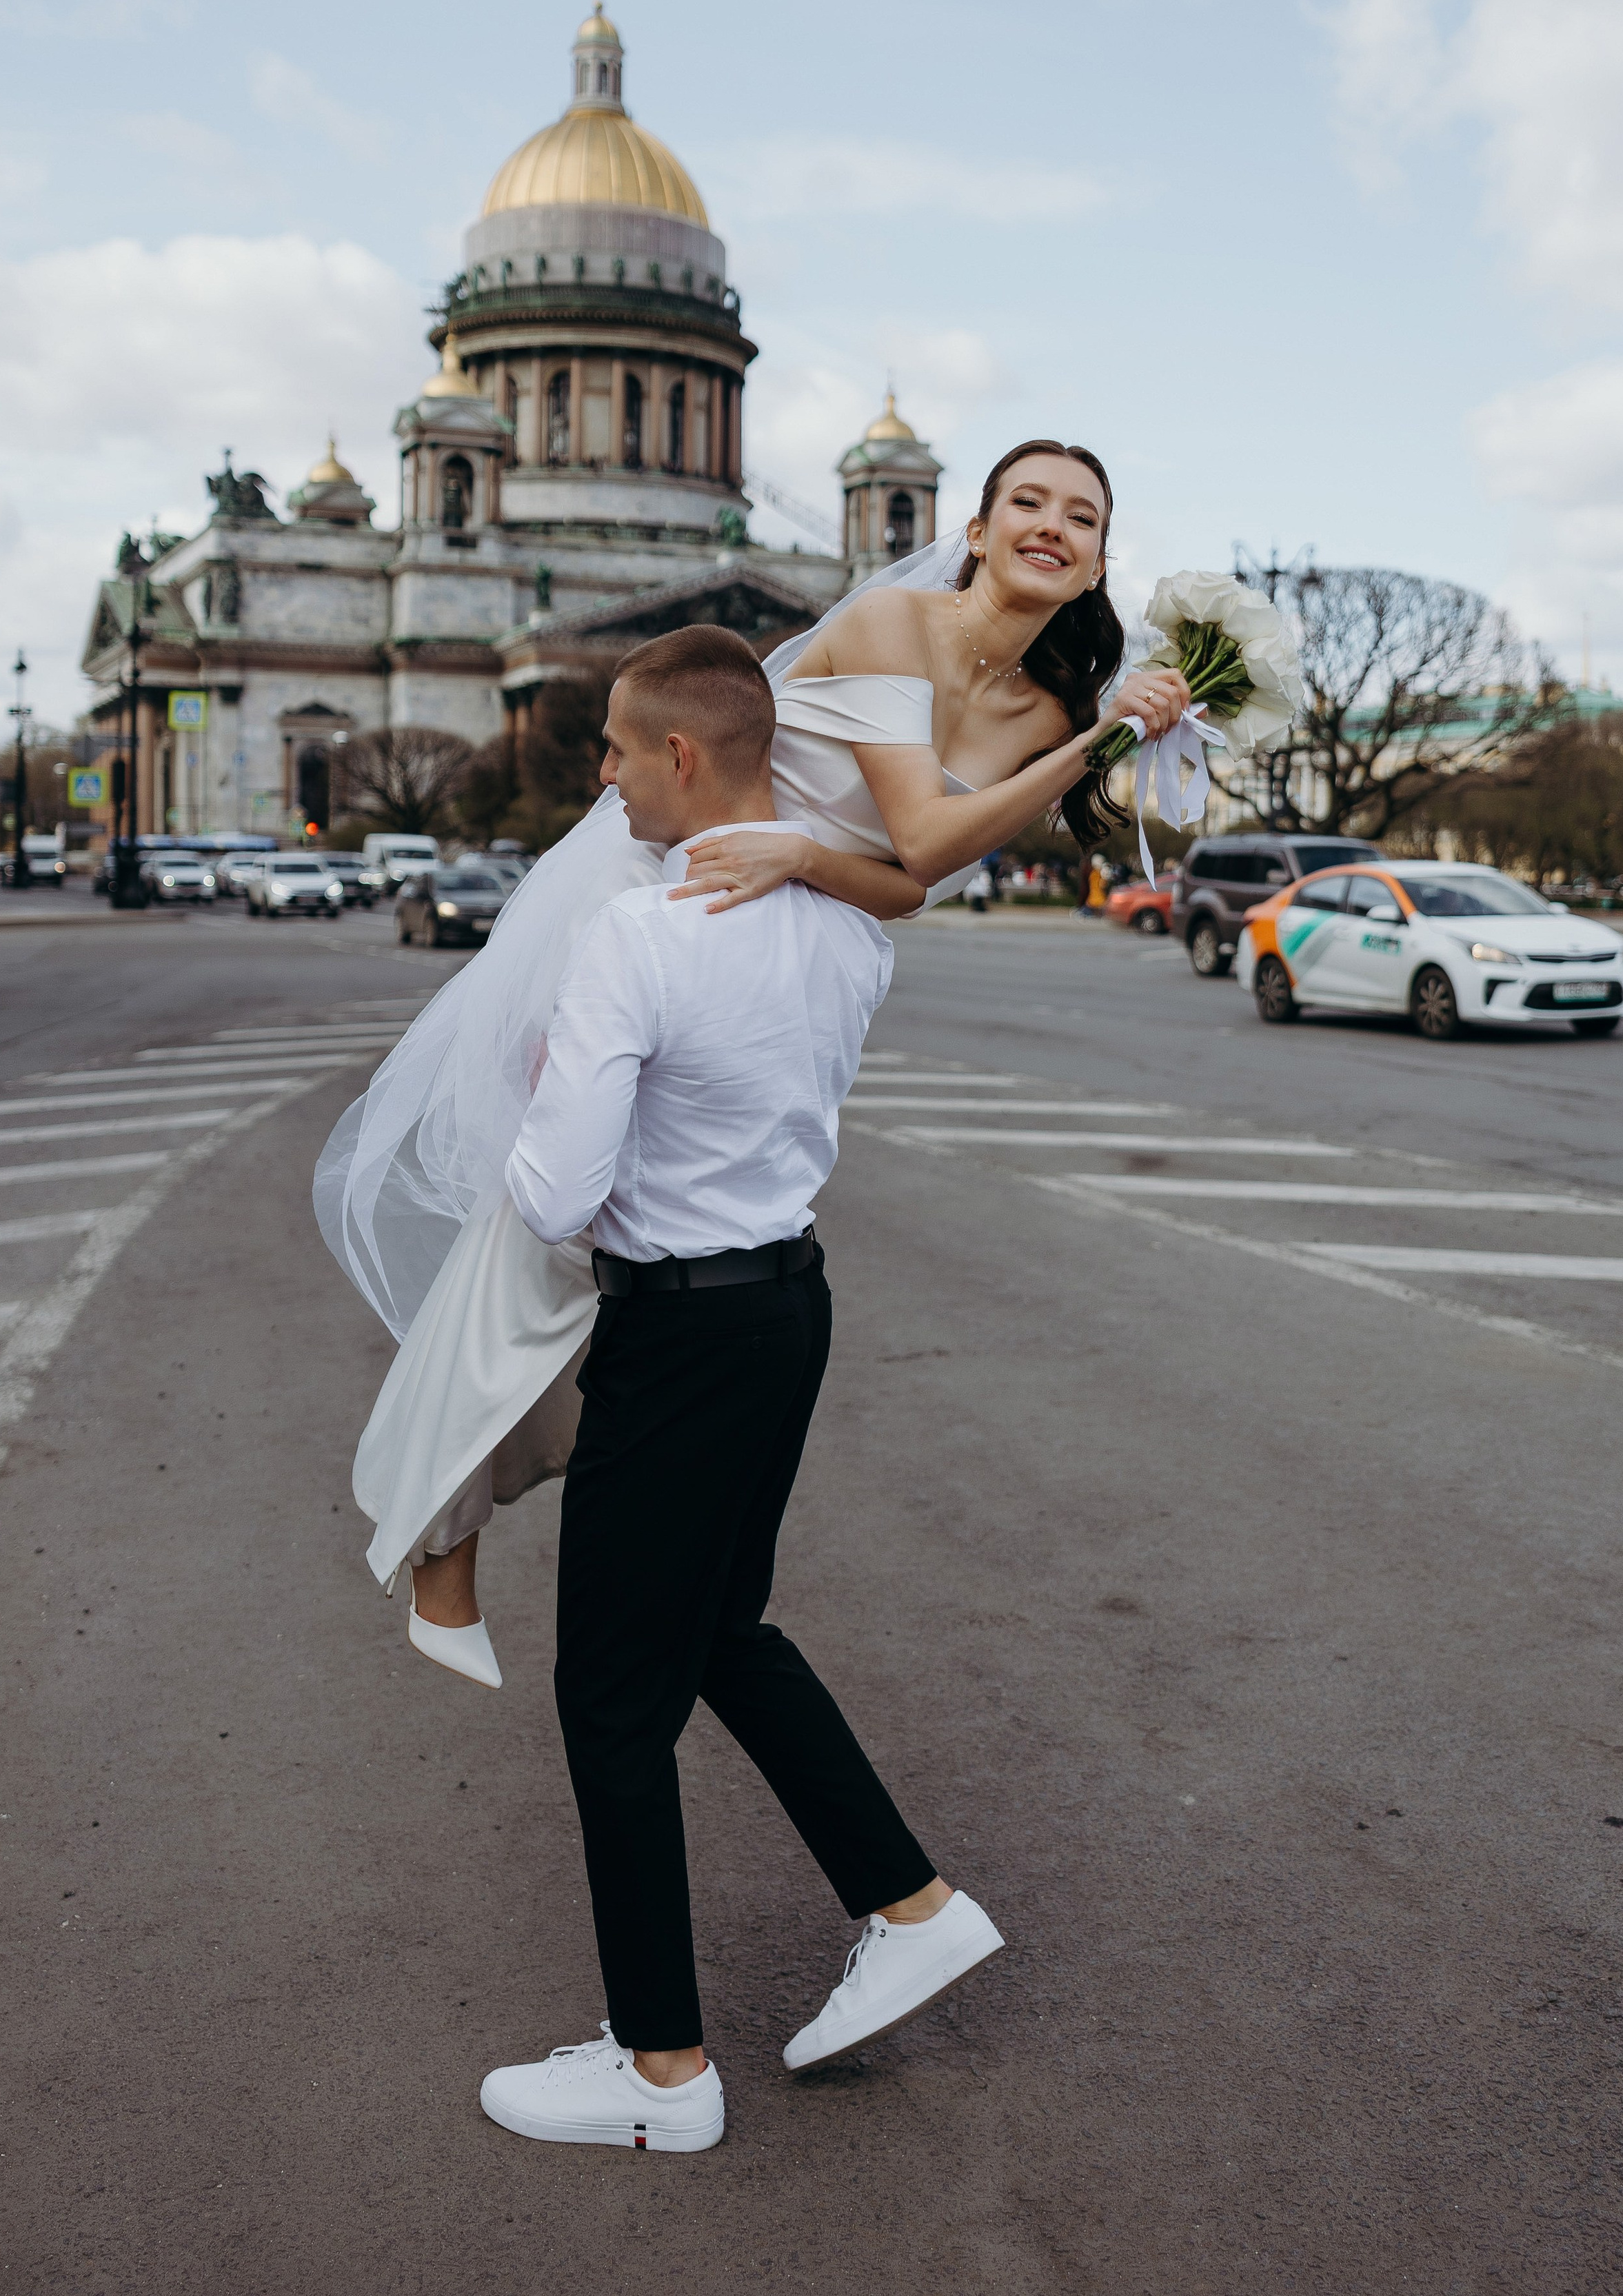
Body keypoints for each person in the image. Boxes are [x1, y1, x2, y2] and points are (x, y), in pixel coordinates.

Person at [314, 439, 1189, 1660]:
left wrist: (808, 857)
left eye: (1083, 517)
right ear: (976, 531)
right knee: (545, 1233)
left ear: (1101, 557)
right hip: (685, 891)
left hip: (799, 923)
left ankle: (536, 1489)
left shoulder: (1045, 708)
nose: (1054, 526)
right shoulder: (892, 619)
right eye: (1027, 503)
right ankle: (438, 1529)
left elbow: (904, 886)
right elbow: (929, 836)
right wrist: (1093, 745)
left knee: (666, 1221)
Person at [472, 626, 1002, 2152]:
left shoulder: (638, 936)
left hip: (681, 1337)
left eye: (620, 754)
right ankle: (907, 1903)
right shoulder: (845, 927)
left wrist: (530, 1108)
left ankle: (660, 2074)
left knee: (611, 1702)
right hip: (785, 1309)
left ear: (684, 757)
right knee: (716, 1632)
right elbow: (880, 888)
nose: (609, 781)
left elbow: (562, 1194)